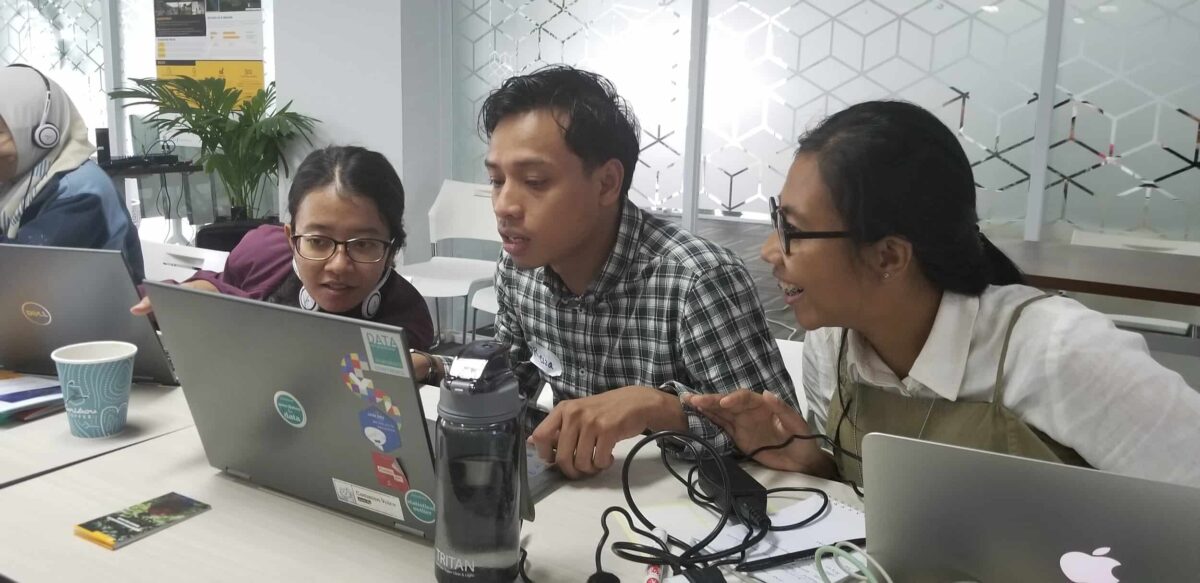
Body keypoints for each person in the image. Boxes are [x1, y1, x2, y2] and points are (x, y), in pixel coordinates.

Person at [686, 100, 1200, 488]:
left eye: (792, 230)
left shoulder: (1058, 351)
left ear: (889, 256)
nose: (770, 252)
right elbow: (873, 511)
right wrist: (813, 464)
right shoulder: (834, 346)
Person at [412, 65, 793, 480]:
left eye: (534, 181)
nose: (504, 205)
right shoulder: (520, 271)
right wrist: (434, 368)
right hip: (577, 504)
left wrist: (660, 407)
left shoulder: (695, 280)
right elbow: (511, 378)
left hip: (684, 514)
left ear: (607, 183)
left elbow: (781, 440)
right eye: (496, 179)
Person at [132, 145, 434, 351]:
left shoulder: (406, 318)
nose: (339, 265)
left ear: (392, 250)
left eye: (364, 244)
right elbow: (220, 289)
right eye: (318, 241)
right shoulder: (262, 252)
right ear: (291, 238)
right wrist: (191, 293)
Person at [0, 64, 144, 280]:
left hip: (100, 313)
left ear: (42, 134)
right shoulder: (18, 180)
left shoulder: (82, 192)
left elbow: (20, 270)